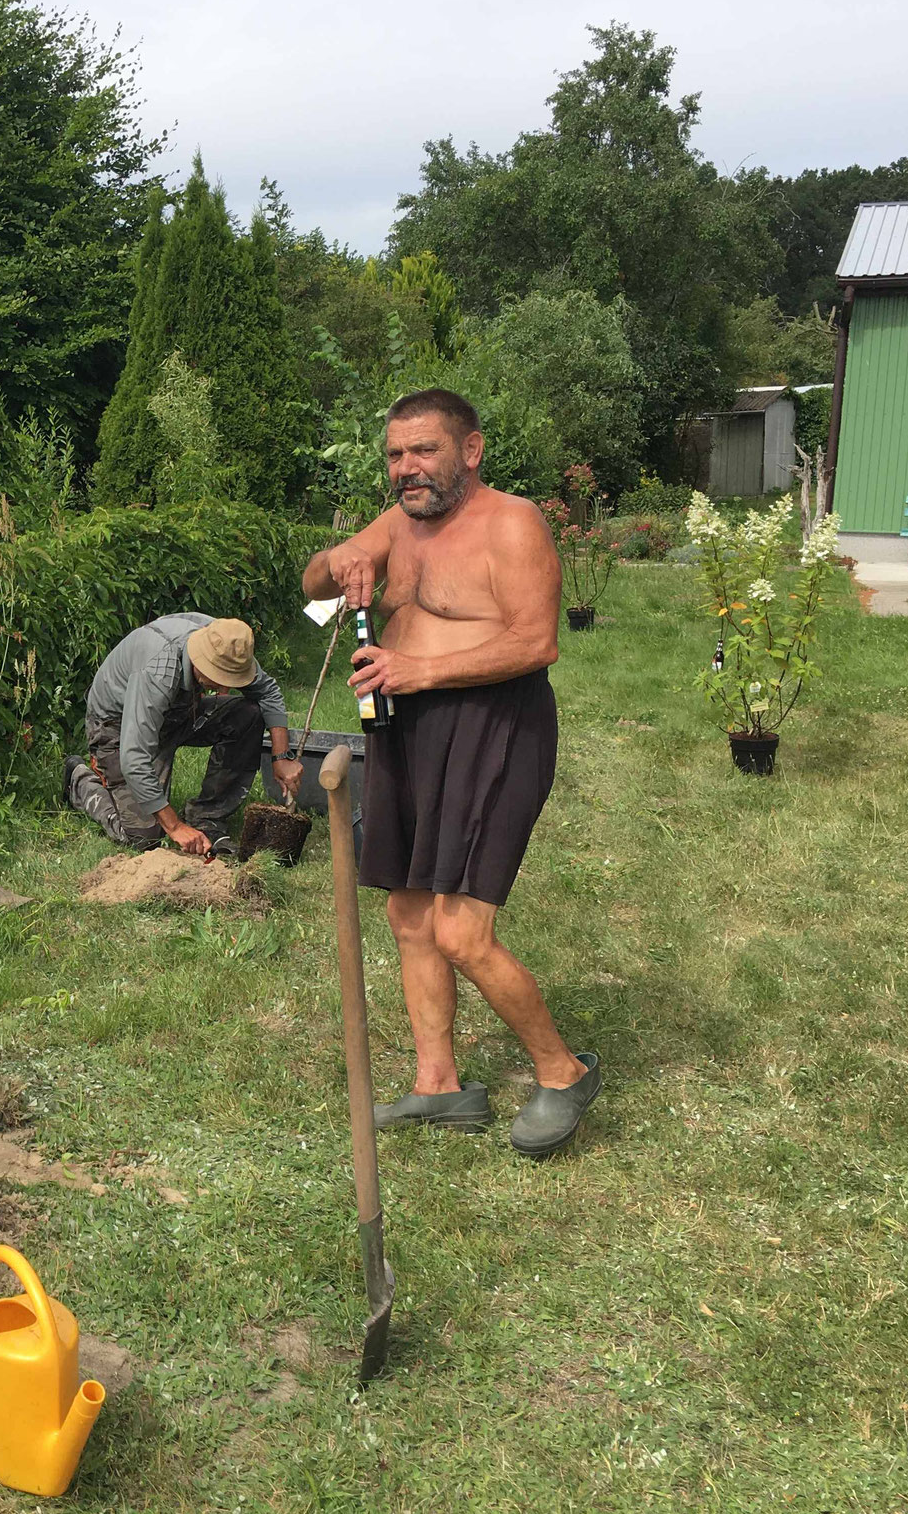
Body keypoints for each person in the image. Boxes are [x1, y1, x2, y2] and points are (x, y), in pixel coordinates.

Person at [301, 388, 600, 1157]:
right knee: (407, 916)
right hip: (402, 730)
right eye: (396, 454)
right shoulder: (401, 521)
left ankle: (562, 1072)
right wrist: (340, 560)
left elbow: (536, 644)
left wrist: (416, 672)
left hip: (494, 729)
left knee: (462, 930)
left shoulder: (513, 523)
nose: (408, 468)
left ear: (470, 450)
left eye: (424, 450)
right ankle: (440, 1085)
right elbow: (312, 585)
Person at [63, 614, 303, 858]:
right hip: (118, 726)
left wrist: (281, 756)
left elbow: (268, 691)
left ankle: (207, 818)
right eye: (219, 679)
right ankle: (80, 781)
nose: (225, 689)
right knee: (144, 836)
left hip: (177, 712)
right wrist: (175, 827)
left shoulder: (225, 642)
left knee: (248, 714)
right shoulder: (158, 669)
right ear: (200, 661)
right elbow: (134, 757)